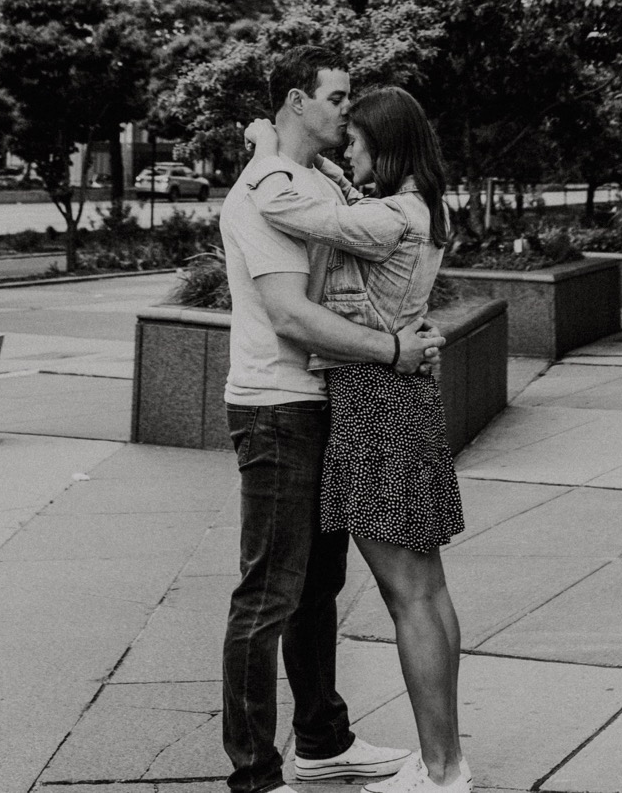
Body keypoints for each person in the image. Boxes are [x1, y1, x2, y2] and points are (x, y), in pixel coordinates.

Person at [219, 47, 444, 793]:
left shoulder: (320, 178)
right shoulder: (261, 192)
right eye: (338, 97)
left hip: (328, 403)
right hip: (276, 406)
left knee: (318, 586)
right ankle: (255, 773)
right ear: (295, 101)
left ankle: (322, 739)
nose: (348, 111)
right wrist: (392, 349)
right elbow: (291, 315)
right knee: (268, 593)